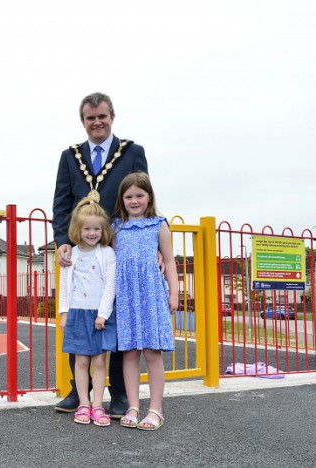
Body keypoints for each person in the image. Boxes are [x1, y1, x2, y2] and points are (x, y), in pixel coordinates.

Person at [53, 92, 148, 415]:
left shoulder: (133, 152)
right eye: (91, 118)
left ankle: (119, 394)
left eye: (102, 116)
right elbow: (62, 204)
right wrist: (61, 241)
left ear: (112, 117)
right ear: (83, 121)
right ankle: (79, 393)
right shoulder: (70, 156)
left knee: (116, 322)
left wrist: (149, 246)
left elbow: (142, 197)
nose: (97, 122)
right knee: (80, 315)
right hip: (81, 247)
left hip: (120, 248)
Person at [113, 172, 178, 431]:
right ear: (122, 199)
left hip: (151, 294)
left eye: (139, 195)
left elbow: (170, 259)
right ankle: (132, 406)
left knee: (152, 352)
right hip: (127, 296)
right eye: (129, 196)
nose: (134, 200)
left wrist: (174, 292)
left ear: (149, 196)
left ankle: (156, 409)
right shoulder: (116, 227)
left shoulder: (159, 224)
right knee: (129, 352)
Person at [59, 195, 116, 426]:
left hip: (98, 316)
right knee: (80, 362)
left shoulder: (107, 253)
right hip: (77, 314)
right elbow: (65, 285)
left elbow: (110, 285)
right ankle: (83, 403)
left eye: (97, 229)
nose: (92, 233)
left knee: (100, 362)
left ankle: (98, 405)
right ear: (77, 229)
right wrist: (64, 312)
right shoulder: (70, 254)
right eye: (87, 229)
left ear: (103, 230)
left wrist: (103, 313)